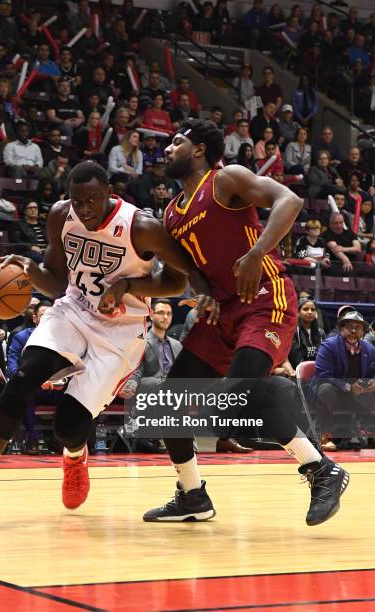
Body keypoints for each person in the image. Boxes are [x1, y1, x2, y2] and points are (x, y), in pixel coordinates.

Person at [0, 161, 210, 527]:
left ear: (111, 192)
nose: (85, 208)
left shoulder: (142, 227)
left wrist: (128, 287)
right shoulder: (63, 216)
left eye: (93, 199)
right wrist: (29, 272)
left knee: (68, 427)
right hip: (73, 312)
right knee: (23, 379)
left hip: (121, 330)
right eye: (78, 200)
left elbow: (177, 281)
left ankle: (75, 456)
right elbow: (55, 282)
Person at [142, 119, 349, 526]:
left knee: (243, 393)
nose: (168, 149)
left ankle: (322, 470)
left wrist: (256, 253)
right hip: (222, 311)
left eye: (177, 142)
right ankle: (192, 496)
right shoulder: (170, 212)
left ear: (199, 150)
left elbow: (289, 200)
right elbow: (190, 268)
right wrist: (201, 291)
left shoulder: (227, 179)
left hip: (264, 299)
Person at [310, 310, 375, 452]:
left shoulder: (370, 349)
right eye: (349, 326)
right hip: (332, 393)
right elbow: (323, 375)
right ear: (341, 328)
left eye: (358, 328)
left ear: (363, 331)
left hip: (357, 395)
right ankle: (325, 437)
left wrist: (372, 383)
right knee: (326, 389)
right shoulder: (328, 346)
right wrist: (348, 387)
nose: (353, 330)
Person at [7, 300, 59, 455]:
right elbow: (12, 368)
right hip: (32, 388)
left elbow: (72, 365)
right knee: (25, 393)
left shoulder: (64, 338)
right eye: (43, 315)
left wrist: (62, 380)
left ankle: (62, 439)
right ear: (35, 318)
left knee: (74, 392)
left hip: (55, 387)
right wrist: (35, 381)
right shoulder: (21, 337)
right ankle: (32, 439)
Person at [288, 298, 326, 368]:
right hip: (297, 371)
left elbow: (323, 356)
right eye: (305, 309)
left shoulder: (321, 332)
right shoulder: (293, 331)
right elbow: (295, 359)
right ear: (298, 312)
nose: (309, 312)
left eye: (313, 310)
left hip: (317, 370)